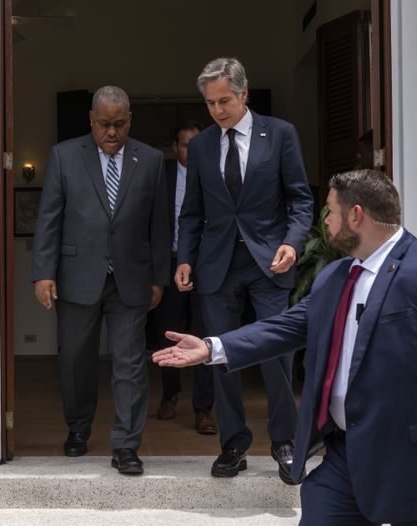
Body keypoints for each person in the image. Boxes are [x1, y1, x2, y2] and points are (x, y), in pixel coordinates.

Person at [154, 168, 417, 526]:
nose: (325, 222)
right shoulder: (336, 275)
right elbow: (287, 326)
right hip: (344, 460)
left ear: (356, 215)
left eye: (331, 212)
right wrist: (213, 347)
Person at [176, 57, 314, 478]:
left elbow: (301, 200)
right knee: (219, 357)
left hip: (268, 264)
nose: (217, 110)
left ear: (244, 94)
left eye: (225, 101)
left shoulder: (281, 134)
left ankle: (285, 441)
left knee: (277, 354)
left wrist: (292, 244)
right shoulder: (200, 146)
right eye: (210, 103)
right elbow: (191, 212)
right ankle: (233, 445)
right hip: (216, 267)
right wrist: (184, 258)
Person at [31, 85, 170, 475]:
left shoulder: (153, 159)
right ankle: (78, 429)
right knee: (76, 361)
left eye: (120, 125)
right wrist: (43, 273)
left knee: (130, 364)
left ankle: (126, 445)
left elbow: (159, 225)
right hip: (77, 276)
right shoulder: (64, 156)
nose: (112, 133)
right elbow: (49, 218)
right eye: (104, 124)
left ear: (131, 120)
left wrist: (158, 277)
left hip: (132, 279)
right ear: (90, 120)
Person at [150, 121, 216, 434]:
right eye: (185, 144)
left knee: (206, 335)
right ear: (176, 148)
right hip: (170, 264)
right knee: (169, 333)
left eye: (196, 143)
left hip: (207, 268)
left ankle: (204, 408)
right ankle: (170, 395)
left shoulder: (215, 172)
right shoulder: (161, 176)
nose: (191, 149)